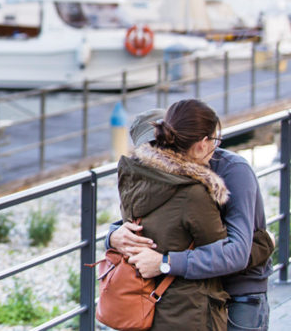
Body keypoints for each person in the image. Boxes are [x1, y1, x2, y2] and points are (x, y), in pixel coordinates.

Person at [109, 105, 273, 331]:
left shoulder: (231, 171)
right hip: (189, 296)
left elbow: (236, 253)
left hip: (238, 291)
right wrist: (114, 235)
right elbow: (153, 227)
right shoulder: (157, 179)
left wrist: (164, 262)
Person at [116, 99, 230, 329]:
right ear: (201, 143)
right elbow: (224, 256)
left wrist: (111, 235)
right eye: (214, 140)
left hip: (143, 305)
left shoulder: (133, 178)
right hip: (189, 313)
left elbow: (137, 227)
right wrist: (264, 243)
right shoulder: (192, 193)